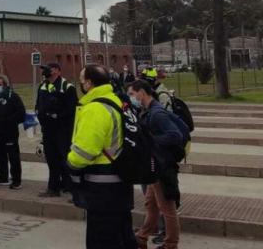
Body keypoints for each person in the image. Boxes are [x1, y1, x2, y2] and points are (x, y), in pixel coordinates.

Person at [67, 65, 135, 249]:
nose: (80, 84)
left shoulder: (95, 108)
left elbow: (84, 153)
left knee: (101, 239)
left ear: (89, 83)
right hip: (121, 179)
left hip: (102, 187)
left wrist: (70, 161)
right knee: (123, 235)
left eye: (81, 81)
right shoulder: (116, 100)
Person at [129, 80, 183, 249]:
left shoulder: (157, 113)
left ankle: (171, 244)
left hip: (162, 166)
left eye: (132, 94)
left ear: (142, 93)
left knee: (167, 208)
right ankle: (142, 237)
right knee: (151, 204)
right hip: (155, 165)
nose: (131, 98)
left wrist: (150, 141)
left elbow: (175, 135)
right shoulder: (147, 111)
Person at [35, 63, 77, 197]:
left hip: (63, 129)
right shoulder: (42, 86)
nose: (49, 72)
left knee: (65, 158)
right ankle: (53, 188)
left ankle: (70, 186)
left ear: (59, 71)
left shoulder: (67, 87)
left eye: (52, 69)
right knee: (51, 158)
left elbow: (72, 110)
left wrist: (57, 115)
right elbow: (38, 104)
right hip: (47, 129)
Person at [0, 74, 25, 189]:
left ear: (5, 85)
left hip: (9, 132)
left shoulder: (12, 96)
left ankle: (17, 180)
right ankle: (3, 177)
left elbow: (21, 113)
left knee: (13, 156)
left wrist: (8, 121)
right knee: (0, 155)